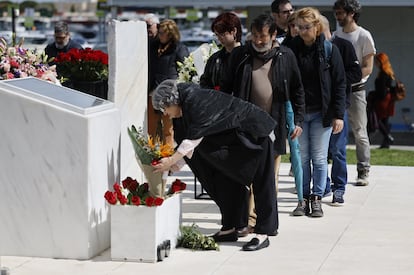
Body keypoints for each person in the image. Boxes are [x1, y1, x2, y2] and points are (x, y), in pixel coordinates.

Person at [151, 79, 278, 251]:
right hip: (235, 141)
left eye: (164, 109)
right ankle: (232, 226)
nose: (166, 114)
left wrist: (171, 161)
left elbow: (194, 137)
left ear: (171, 101)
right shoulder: (183, 110)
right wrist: (174, 165)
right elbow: (187, 145)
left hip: (254, 133)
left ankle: (264, 232)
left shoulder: (195, 99)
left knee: (262, 181)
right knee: (224, 180)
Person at [225, 14, 305, 226]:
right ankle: (250, 219)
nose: (258, 40)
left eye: (263, 36)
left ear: (273, 34)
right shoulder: (241, 55)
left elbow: (297, 89)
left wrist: (298, 120)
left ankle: (264, 219)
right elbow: (226, 86)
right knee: (248, 174)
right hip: (246, 124)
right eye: (255, 35)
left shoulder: (285, 55)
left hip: (274, 124)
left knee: (270, 175)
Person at [287, 7, 346, 217]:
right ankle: (302, 200)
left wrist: (339, 115)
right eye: (299, 27)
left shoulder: (330, 50)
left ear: (317, 27)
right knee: (301, 159)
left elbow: (340, 83)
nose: (302, 31)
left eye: (306, 27)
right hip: (299, 114)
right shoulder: (291, 49)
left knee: (320, 158)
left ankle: (317, 198)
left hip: (323, 113)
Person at [333, 0, 376, 186]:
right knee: (335, 131)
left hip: (356, 90)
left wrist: (346, 79)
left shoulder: (364, 36)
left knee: (360, 131)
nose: (337, 16)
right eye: (336, 12)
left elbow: (368, 68)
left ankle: (363, 169)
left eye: (341, 12)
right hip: (338, 91)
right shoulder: (335, 36)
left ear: (352, 14)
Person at [321, 15, 362, 205]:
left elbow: (356, 73)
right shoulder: (311, 49)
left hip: (338, 106)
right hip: (317, 108)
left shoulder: (343, 46)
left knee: (337, 150)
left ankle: (339, 188)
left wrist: (335, 77)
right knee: (319, 152)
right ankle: (323, 186)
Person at [147, 19, 189, 147]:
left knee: (168, 129)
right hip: (152, 90)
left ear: (170, 34)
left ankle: (167, 159)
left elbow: (184, 69)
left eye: (162, 33)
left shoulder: (179, 48)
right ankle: (151, 156)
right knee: (150, 127)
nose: (159, 35)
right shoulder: (153, 46)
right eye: (158, 32)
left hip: (169, 93)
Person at [200, 12, 242, 92]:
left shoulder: (247, 56)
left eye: (222, 34)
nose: (219, 38)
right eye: (216, 35)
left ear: (234, 31)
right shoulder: (215, 59)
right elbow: (205, 83)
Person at [367, 53, 396, 149]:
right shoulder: (388, 72)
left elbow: (382, 90)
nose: (375, 63)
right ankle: (386, 142)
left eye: (376, 61)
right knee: (384, 121)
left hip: (382, 100)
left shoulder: (383, 74)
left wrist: (373, 95)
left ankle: (388, 136)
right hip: (388, 99)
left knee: (377, 119)